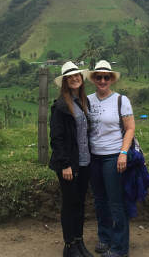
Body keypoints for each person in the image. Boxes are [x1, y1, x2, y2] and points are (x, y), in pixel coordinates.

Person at [88, 60, 135, 257]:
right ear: (94, 80)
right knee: (100, 201)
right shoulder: (88, 100)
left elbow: (130, 128)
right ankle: (105, 238)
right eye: (98, 77)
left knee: (116, 202)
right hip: (93, 157)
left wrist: (123, 153)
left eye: (106, 77)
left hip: (113, 156)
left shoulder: (120, 100)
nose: (102, 80)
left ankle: (119, 247)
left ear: (111, 80)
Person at [49, 61, 94, 257]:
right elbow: (56, 138)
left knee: (79, 203)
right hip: (69, 164)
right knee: (69, 204)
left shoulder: (83, 101)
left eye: (77, 75)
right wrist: (65, 164)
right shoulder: (60, 106)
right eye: (70, 77)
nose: (75, 78)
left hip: (84, 162)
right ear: (65, 81)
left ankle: (79, 241)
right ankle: (69, 246)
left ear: (81, 79)